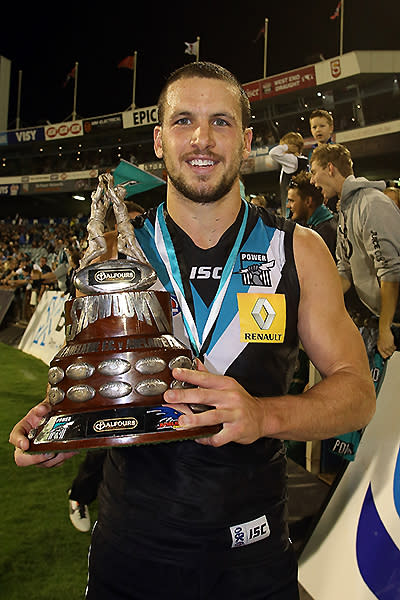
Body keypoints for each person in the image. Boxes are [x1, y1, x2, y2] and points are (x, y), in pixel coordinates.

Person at [10, 62, 375, 600]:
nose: (201, 138)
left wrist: (263, 414)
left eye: (221, 122)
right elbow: (103, 378)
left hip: (252, 550)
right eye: (183, 121)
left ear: (246, 140)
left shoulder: (297, 251)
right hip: (130, 549)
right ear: (159, 140)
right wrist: (63, 418)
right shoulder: (115, 254)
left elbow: (358, 392)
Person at [67, 201, 145, 533]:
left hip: (138, 358)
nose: (140, 231)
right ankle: (80, 494)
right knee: (106, 436)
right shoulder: (101, 260)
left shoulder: (147, 256)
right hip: (103, 357)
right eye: (134, 223)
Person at [310, 143, 400, 362]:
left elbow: (391, 272)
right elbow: (344, 270)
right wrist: (317, 305)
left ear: (330, 168)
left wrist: (385, 327)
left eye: (314, 172)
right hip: (378, 317)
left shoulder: (372, 204)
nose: (312, 181)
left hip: (394, 322)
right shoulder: (346, 208)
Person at [286, 171, 337, 258]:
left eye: (292, 201)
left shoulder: (327, 232)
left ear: (308, 201)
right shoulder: (308, 225)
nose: (288, 206)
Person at [268, 132, 308, 217]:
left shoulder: (292, 160)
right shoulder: (301, 160)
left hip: (292, 209)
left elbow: (273, 153)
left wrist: (286, 147)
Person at [308, 110, 338, 214]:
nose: (318, 130)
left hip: (335, 198)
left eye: (322, 126)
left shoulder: (337, 151)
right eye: (314, 127)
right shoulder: (311, 154)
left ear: (331, 128)